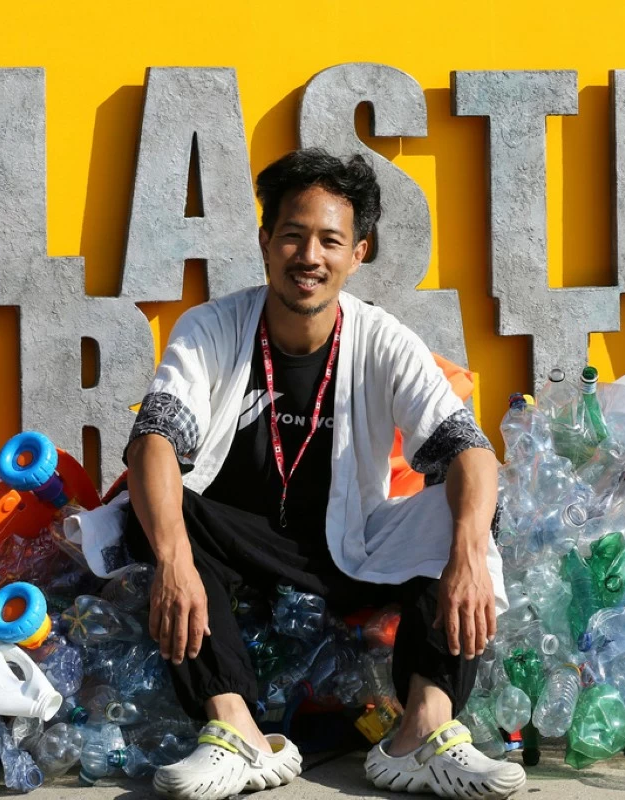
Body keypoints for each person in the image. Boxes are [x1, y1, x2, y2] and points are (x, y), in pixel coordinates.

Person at [123, 148, 524, 800]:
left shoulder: (382, 339)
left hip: (348, 546)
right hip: (233, 541)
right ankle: (237, 737)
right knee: (159, 514)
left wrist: (469, 556)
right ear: (265, 242)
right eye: (292, 235)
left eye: (330, 241)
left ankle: (423, 732)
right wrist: (172, 562)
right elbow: (154, 441)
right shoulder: (211, 329)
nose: (309, 256)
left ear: (358, 252)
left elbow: (469, 450)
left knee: (464, 511)